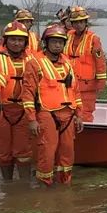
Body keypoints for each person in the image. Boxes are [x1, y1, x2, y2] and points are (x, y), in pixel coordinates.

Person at [22, 24, 84, 186]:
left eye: (60, 42)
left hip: (69, 115)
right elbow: (27, 94)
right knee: (47, 152)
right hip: (46, 113)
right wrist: (31, 119)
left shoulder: (68, 63)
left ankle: (64, 187)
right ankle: (45, 189)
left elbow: (75, 91)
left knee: (67, 152)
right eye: (54, 42)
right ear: (46, 42)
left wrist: (79, 115)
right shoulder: (34, 63)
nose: (57, 45)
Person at [0, 21, 36, 180]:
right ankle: (7, 186)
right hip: (0, 110)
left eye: (20, 40)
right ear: (6, 40)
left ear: (25, 42)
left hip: (23, 110)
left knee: (24, 150)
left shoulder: (34, 59)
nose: (16, 43)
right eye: (12, 39)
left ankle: (23, 188)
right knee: (3, 150)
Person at [65, 6, 107, 122]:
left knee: (85, 113)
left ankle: (86, 137)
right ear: (72, 23)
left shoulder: (93, 39)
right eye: (76, 22)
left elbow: (100, 62)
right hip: (68, 83)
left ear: (85, 22)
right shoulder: (67, 36)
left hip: (87, 85)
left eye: (81, 22)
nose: (79, 25)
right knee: (67, 112)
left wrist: (101, 82)